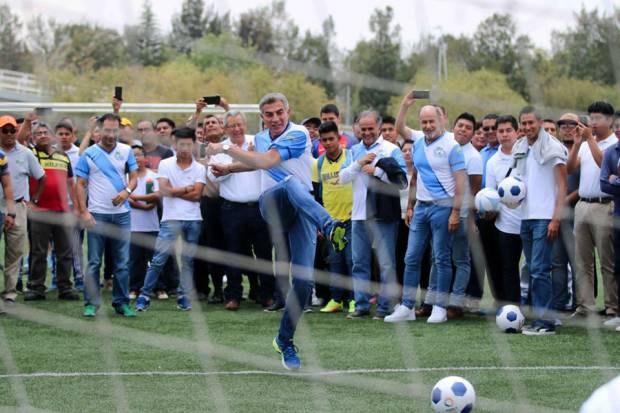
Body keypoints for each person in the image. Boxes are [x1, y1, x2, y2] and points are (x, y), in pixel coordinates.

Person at [207, 92, 347, 370]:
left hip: (302, 209)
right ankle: (330, 225)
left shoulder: (298, 135)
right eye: (269, 114)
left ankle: (285, 340)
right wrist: (229, 169)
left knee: (304, 283)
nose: (275, 118)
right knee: (289, 183)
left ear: (288, 111)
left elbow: (268, 161)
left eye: (279, 112)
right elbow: (257, 163)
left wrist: (226, 151)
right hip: (271, 203)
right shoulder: (260, 138)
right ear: (262, 117)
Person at [385, 105, 465, 324]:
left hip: (444, 208)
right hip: (421, 208)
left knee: (441, 259)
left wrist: (455, 212)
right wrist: (410, 205)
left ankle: (440, 306)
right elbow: (415, 178)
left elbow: (461, 183)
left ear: (442, 120)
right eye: (424, 122)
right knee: (411, 258)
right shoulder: (418, 142)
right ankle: (407, 307)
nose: (428, 126)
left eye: (432, 121)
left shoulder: (452, 146)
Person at [339, 110, 407, 320]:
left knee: (386, 263)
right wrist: (359, 164)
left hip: (384, 214)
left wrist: (377, 172)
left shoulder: (391, 149)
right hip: (359, 214)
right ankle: (361, 305)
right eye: (363, 129)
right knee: (359, 261)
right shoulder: (353, 150)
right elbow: (342, 177)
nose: (367, 132)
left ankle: (385, 307)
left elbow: (402, 182)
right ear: (358, 129)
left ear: (379, 127)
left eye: (371, 128)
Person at [207, 111, 274, 310]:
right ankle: (234, 296)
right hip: (232, 209)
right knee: (234, 253)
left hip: (259, 207)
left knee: (263, 254)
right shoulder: (218, 149)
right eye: (232, 126)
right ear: (225, 129)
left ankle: (267, 295)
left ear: (245, 125)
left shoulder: (258, 142)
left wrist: (238, 161)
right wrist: (243, 160)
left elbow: (265, 166)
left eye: (239, 125)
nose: (236, 129)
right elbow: (216, 177)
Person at [135, 128, 206, 312]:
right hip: (170, 219)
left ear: (193, 144)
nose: (184, 148)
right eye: (181, 144)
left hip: (193, 219)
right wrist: (185, 189)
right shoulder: (166, 164)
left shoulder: (199, 168)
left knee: (188, 261)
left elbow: (198, 195)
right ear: (175, 145)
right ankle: (144, 295)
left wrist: (175, 191)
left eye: (188, 144)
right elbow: (163, 191)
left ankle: (183, 296)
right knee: (158, 259)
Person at [75, 113, 138, 317]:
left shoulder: (126, 150)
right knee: (94, 262)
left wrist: (126, 192)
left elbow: (134, 178)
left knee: (122, 262)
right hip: (97, 215)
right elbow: (80, 184)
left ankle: (121, 303)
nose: (111, 134)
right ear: (99, 131)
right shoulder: (88, 154)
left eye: (114, 130)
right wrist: (84, 212)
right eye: (107, 130)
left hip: (122, 215)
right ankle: (91, 303)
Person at [512, 106, 567, 335]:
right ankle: (541, 318)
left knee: (540, 270)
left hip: (545, 218)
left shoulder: (553, 147)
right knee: (533, 269)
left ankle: (546, 323)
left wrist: (555, 219)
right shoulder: (520, 147)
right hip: (526, 217)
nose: (527, 127)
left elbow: (562, 186)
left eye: (530, 123)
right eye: (523, 124)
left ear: (540, 122)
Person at [567, 101, 618, 318]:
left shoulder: (614, 144)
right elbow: (569, 169)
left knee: (608, 261)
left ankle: (612, 307)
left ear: (609, 121)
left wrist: (589, 140)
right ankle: (585, 306)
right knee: (582, 261)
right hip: (583, 205)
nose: (592, 123)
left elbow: (603, 166)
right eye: (590, 119)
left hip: (605, 205)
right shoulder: (587, 143)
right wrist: (578, 144)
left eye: (597, 119)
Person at [25, 122, 79, 301]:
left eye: (44, 132)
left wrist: (76, 207)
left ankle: (65, 288)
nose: (42, 135)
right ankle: (36, 288)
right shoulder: (29, 154)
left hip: (63, 211)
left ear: (51, 136)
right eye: (37, 133)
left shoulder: (63, 157)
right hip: (39, 211)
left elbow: (71, 183)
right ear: (32, 138)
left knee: (65, 251)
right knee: (39, 252)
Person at [0, 115, 45, 304]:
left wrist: (33, 200)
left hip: (17, 206)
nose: (10, 134)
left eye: (13, 130)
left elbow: (41, 177)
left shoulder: (26, 153)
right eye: (5, 130)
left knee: (15, 252)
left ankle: (10, 293)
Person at [443, 112, 482, 318]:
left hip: (463, 215)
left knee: (461, 260)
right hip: (440, 211)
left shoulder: (474, 157)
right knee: (439, 258)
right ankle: (436, 302)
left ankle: (456, 303)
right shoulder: (445, 146)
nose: (463, 129)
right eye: (460, 125)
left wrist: (470, 219)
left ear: (473, 133)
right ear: (453, 127)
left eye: (468, 127)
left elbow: (473, 192)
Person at [313, 121, 355, 314]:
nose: (328, 143)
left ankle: (354, 299)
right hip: (330, 222)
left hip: (352, 220)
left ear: (339, 138)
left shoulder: (351, 157)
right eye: (324, 140)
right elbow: (316, 195)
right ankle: (336, 299)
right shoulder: (319, 163)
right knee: (335, 261)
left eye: (331, 139)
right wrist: (319, 222)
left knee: (352, 261)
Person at [484, 115, 522, 306]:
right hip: (505, 224)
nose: (504, 135)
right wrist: (488, 208)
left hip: (530, 220)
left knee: (537, 269)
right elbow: (490, 194)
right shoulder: (492, 162)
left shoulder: (527, 155)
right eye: (501, 131)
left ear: (517, 132)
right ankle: (511, 309)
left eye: (508, 130)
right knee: (508, 268)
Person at [551, 114, 582, 314]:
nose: (568, 128)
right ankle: (559, 302)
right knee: (557, 260)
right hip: (555, 213)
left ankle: (580, 303)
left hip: (578, 212)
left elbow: (588, 184)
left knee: (579, 260)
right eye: (563, 124)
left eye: (572, 124)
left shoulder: (586, 149)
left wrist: (567, 199)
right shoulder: (553, 151)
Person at [127, 145, 160, 299]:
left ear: (146, 159)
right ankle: (135, 288)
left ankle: (159, 287)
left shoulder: (153, 177)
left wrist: (147, 204)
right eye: (133, 156)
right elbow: (126, 198)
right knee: (135, 260)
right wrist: (143, 206)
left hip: (152, 225)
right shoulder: (126, 177)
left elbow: (156, 197)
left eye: (139, 155)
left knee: (154, 259)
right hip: (133, 226)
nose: (136, 158)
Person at [599, 112, 620, 329]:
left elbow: (612, 182)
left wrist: (617, 180)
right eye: (616, 126)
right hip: (617, 216)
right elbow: (604, 184)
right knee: (618, 265)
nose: (618, 129)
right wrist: (613, 181)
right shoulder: (610, 152)